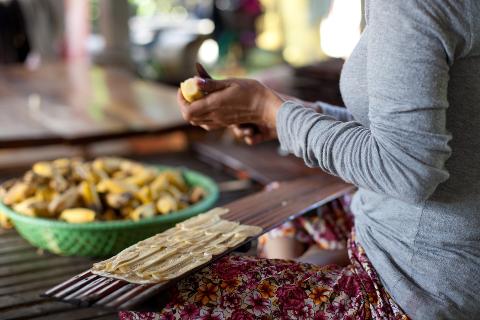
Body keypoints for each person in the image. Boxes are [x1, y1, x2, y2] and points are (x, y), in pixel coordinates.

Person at [121, 0, 480, 319]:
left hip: (420, 288)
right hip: (421, 241)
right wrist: (283, 117)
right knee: (286, 201)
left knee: (151, 297)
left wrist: (270, 110)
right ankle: (300, 284)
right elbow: (408, 132)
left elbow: (405, 170)